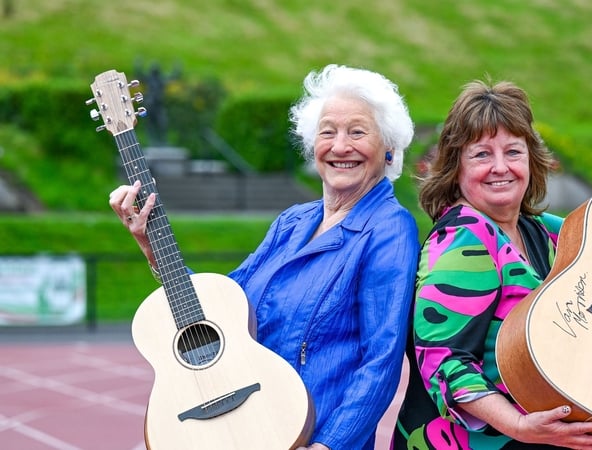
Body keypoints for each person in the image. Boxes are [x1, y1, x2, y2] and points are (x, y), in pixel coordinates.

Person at [109, 64, 420, 450]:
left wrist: (328, 445)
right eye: (328, 132)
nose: (340, 146)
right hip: (244, 427)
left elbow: (381, 360)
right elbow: (221, 307)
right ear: (312, 146)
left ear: (389, 148)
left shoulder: (390, 229)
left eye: (357, 132)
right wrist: (151, 243)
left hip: (308, 435)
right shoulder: (292, 222)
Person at [392, 80, 592, 449]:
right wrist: (519, 426)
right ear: (455, 168)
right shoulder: (462, 240)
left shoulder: (540, 231)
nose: (500, 167)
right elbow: (443, 362)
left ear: (532, 160)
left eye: (513, 152)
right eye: (482, 155)